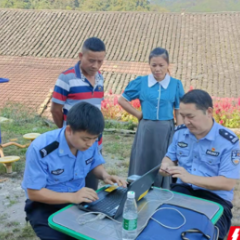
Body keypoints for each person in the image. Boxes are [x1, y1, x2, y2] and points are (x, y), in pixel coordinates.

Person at [22, 102, 127, 240]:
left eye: (94, 138)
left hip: (78, 201)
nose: (90, 143)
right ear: (69, 130)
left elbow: (94, 163)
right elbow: (34, 192)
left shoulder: (91, 141)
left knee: (103, 231)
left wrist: (105, 175)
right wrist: (72, 197)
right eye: (86, 139)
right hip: (45, 205)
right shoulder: (41, 149)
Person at [159, 89, 240, 240]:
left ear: (208, 112)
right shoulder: (181, 132)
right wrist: (166, 165)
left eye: (190, 116)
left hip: (215, 199)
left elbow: (228, 182)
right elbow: (170, 157)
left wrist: (190, 177)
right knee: (160, 224)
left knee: (200, 235)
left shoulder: (228, 142)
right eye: (183, 116)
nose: (186, 121)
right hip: (182, 191)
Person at [118, 47, 184, 188]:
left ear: (168, 65)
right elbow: (122, 100)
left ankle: (162, 191)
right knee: (143, 160)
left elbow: (178, 111)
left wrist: (179, 131)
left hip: (166, 129)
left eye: (161, 65)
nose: (157, 69)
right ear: (149, 65)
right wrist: (138, 114)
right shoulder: (142, 82)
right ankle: (139, 189)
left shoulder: (175, 85)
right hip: (146, 128)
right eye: (154, 65)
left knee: (163, 161)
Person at [51, 37, 106, 191]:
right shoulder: (66, 77)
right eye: (91, 60)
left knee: (91, 187)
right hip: (73, 143)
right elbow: (56, 109)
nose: (95, 65)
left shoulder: (100, 78)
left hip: (95, 143)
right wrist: (67, 131)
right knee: (71, 187)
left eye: (100, 61)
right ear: (81, 56)